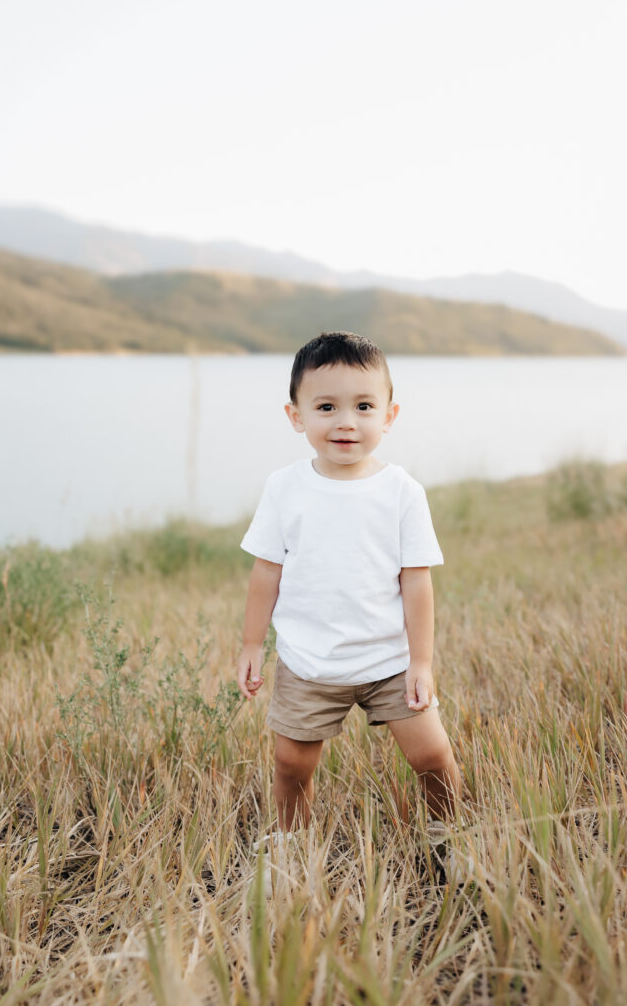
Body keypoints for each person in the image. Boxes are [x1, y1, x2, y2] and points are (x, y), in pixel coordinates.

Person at [236, 331, 462, 876]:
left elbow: (416, 581)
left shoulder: (402, 491)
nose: (346, 421)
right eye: (326, 407)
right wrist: (251, 644)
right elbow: (267, 569)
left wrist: (422, 661)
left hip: (389, 662)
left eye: (364, 406)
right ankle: (291, 844)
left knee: (432, 756)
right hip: (309, 662)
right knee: (291, 764)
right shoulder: (284, 487)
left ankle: (450, 834)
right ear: (296, 416)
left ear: (389, 414)